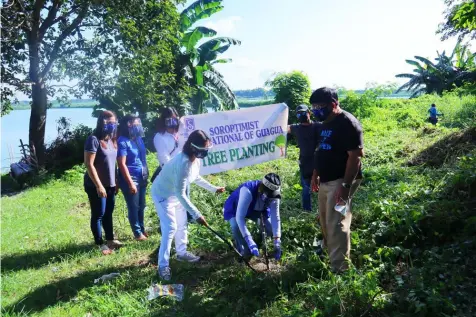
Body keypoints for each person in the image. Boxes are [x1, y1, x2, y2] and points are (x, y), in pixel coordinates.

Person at [151, 130, 225, 281]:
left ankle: (181, 253)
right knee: (170, 227)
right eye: (203, 149)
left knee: (182, 224)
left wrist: (213, 189)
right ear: (193, 147)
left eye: (207, 148)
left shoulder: (195, 159)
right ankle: (163, 266)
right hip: (163, 194)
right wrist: (197, 215)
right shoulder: (183, 162)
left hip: (176, 193)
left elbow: (195, 177)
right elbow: (181, 193)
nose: (205, 152)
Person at [310, 87, 364, 273]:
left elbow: (355, 156)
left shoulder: (347, 123)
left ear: (334, 104)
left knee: (336, 223)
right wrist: (316, 174)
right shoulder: (326, 121)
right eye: (314, 107)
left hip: (341, 180)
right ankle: (331, 256)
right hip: (326, 180)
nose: (316, 111)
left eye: (320, 106)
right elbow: (322, 149)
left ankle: (340, 269)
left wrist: (345, 186)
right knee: (325, 221)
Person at [84, 110, 123, 255]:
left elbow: (113, 163)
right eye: (109, 122)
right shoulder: (93, 139)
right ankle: (99, 243)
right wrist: (98, 185)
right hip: (95, 184)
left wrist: (116, 181)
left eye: (114, 122)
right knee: (98, 213)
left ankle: (110, 239)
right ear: (102, 122)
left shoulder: (112, 140)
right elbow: (89, 164)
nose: (112, 125)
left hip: (111, 184)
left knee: (108, 213)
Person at [223, 173, 282, 260]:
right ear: (262, 188)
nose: (271, 197)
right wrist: (248, 239)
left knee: (269, 228)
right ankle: (245, 250)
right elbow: (240, 218)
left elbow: (275, 217)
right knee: (236, 227)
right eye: (269, 194)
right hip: (236, 208)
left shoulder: (275, 193)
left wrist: (277, 240)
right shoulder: (247, 191)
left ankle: (260, 241)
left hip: (257, 208)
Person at [117, 114, 149, 241]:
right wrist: (130, 182)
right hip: (131, 178)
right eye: (135, 124)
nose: (138, 126)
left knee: (142, 205)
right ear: (128, 125)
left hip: (142, 176)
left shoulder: (138, 139)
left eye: (138, 124)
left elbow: (142, 158)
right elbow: (121, 164)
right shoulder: (122, 141)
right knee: (133, 206)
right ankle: (137, 233)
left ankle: (142, 229)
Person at [287, 104, 321, 211]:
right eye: (298, 114)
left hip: (318, 162)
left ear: (309, 113)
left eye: (303, 113)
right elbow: (281, 128)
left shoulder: (318, 126)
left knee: (323, 187)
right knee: (306, 188)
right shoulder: (296, 128)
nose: (301, 115)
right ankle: (307, 210)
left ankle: (323, 210)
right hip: (304, 163)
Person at [151, 107, 180, 182]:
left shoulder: (181, 133)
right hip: (170, 175)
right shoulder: (159, 137)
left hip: (182, 172)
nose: (172, 122)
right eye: (169, 119)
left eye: (174, 119)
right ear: (164, 120)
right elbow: (164, 157)